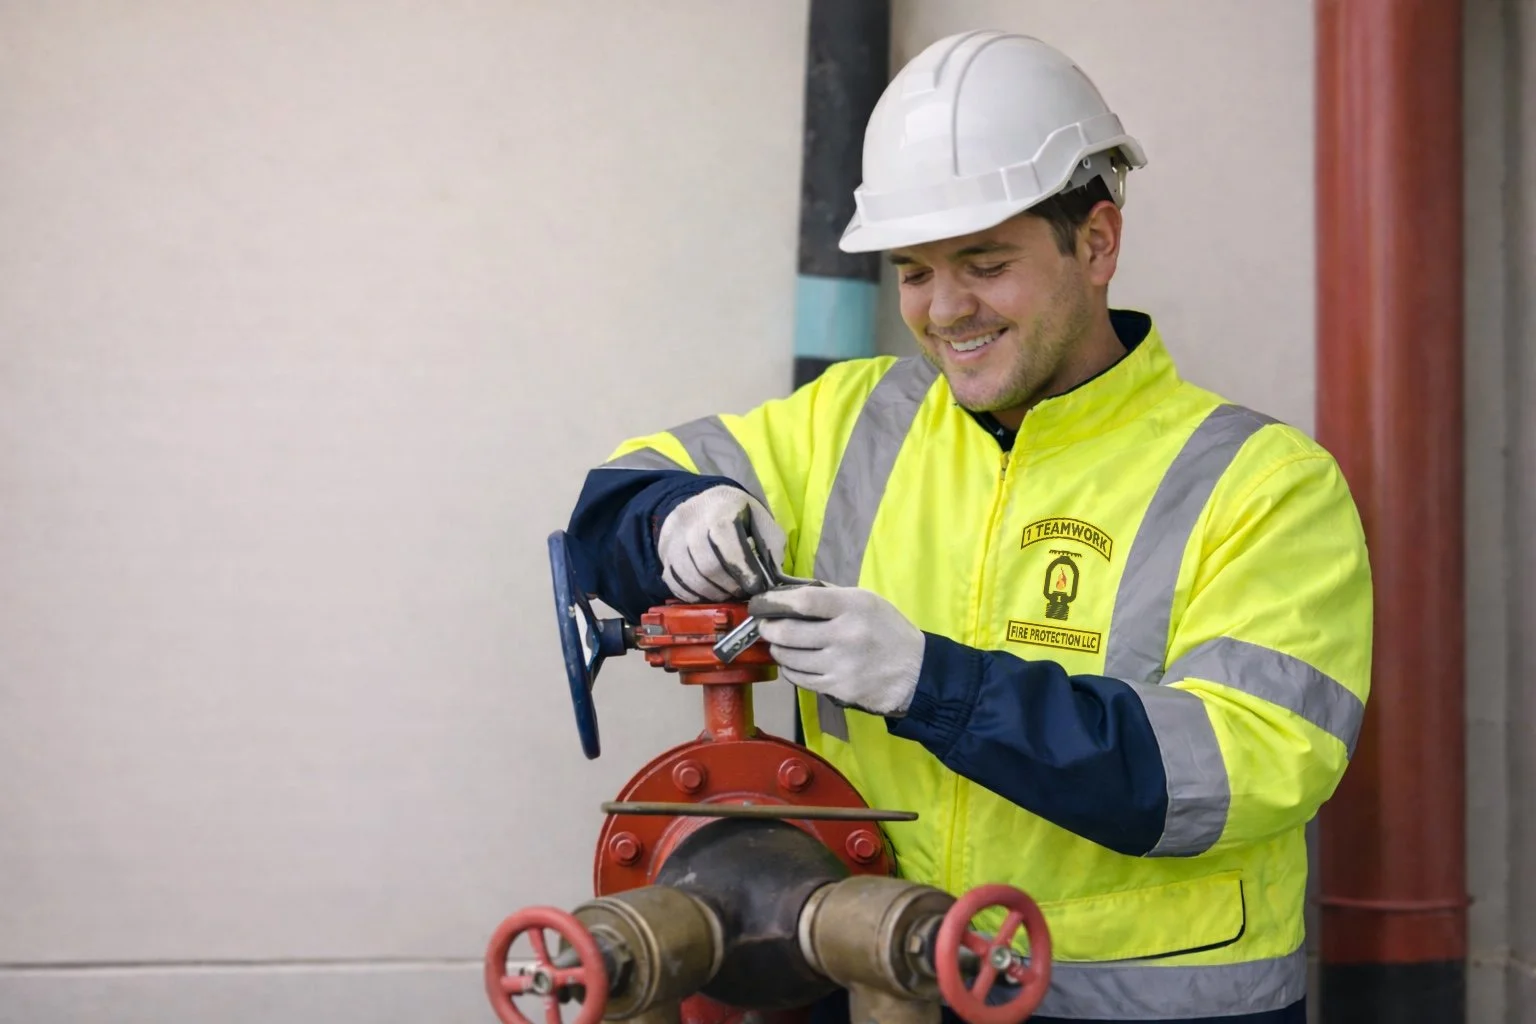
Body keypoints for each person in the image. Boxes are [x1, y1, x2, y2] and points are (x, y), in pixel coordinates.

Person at [564, 29, 1371, 1024]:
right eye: (913, 271)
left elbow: (1235, 772)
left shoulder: (1264, 483)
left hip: (1145, 1008)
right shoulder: (849, 421)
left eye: (985, 264)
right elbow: (610, 502)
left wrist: (930, 684)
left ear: (1098, 241)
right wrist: (670, 519)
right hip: (872, 978)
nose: (945, 310)